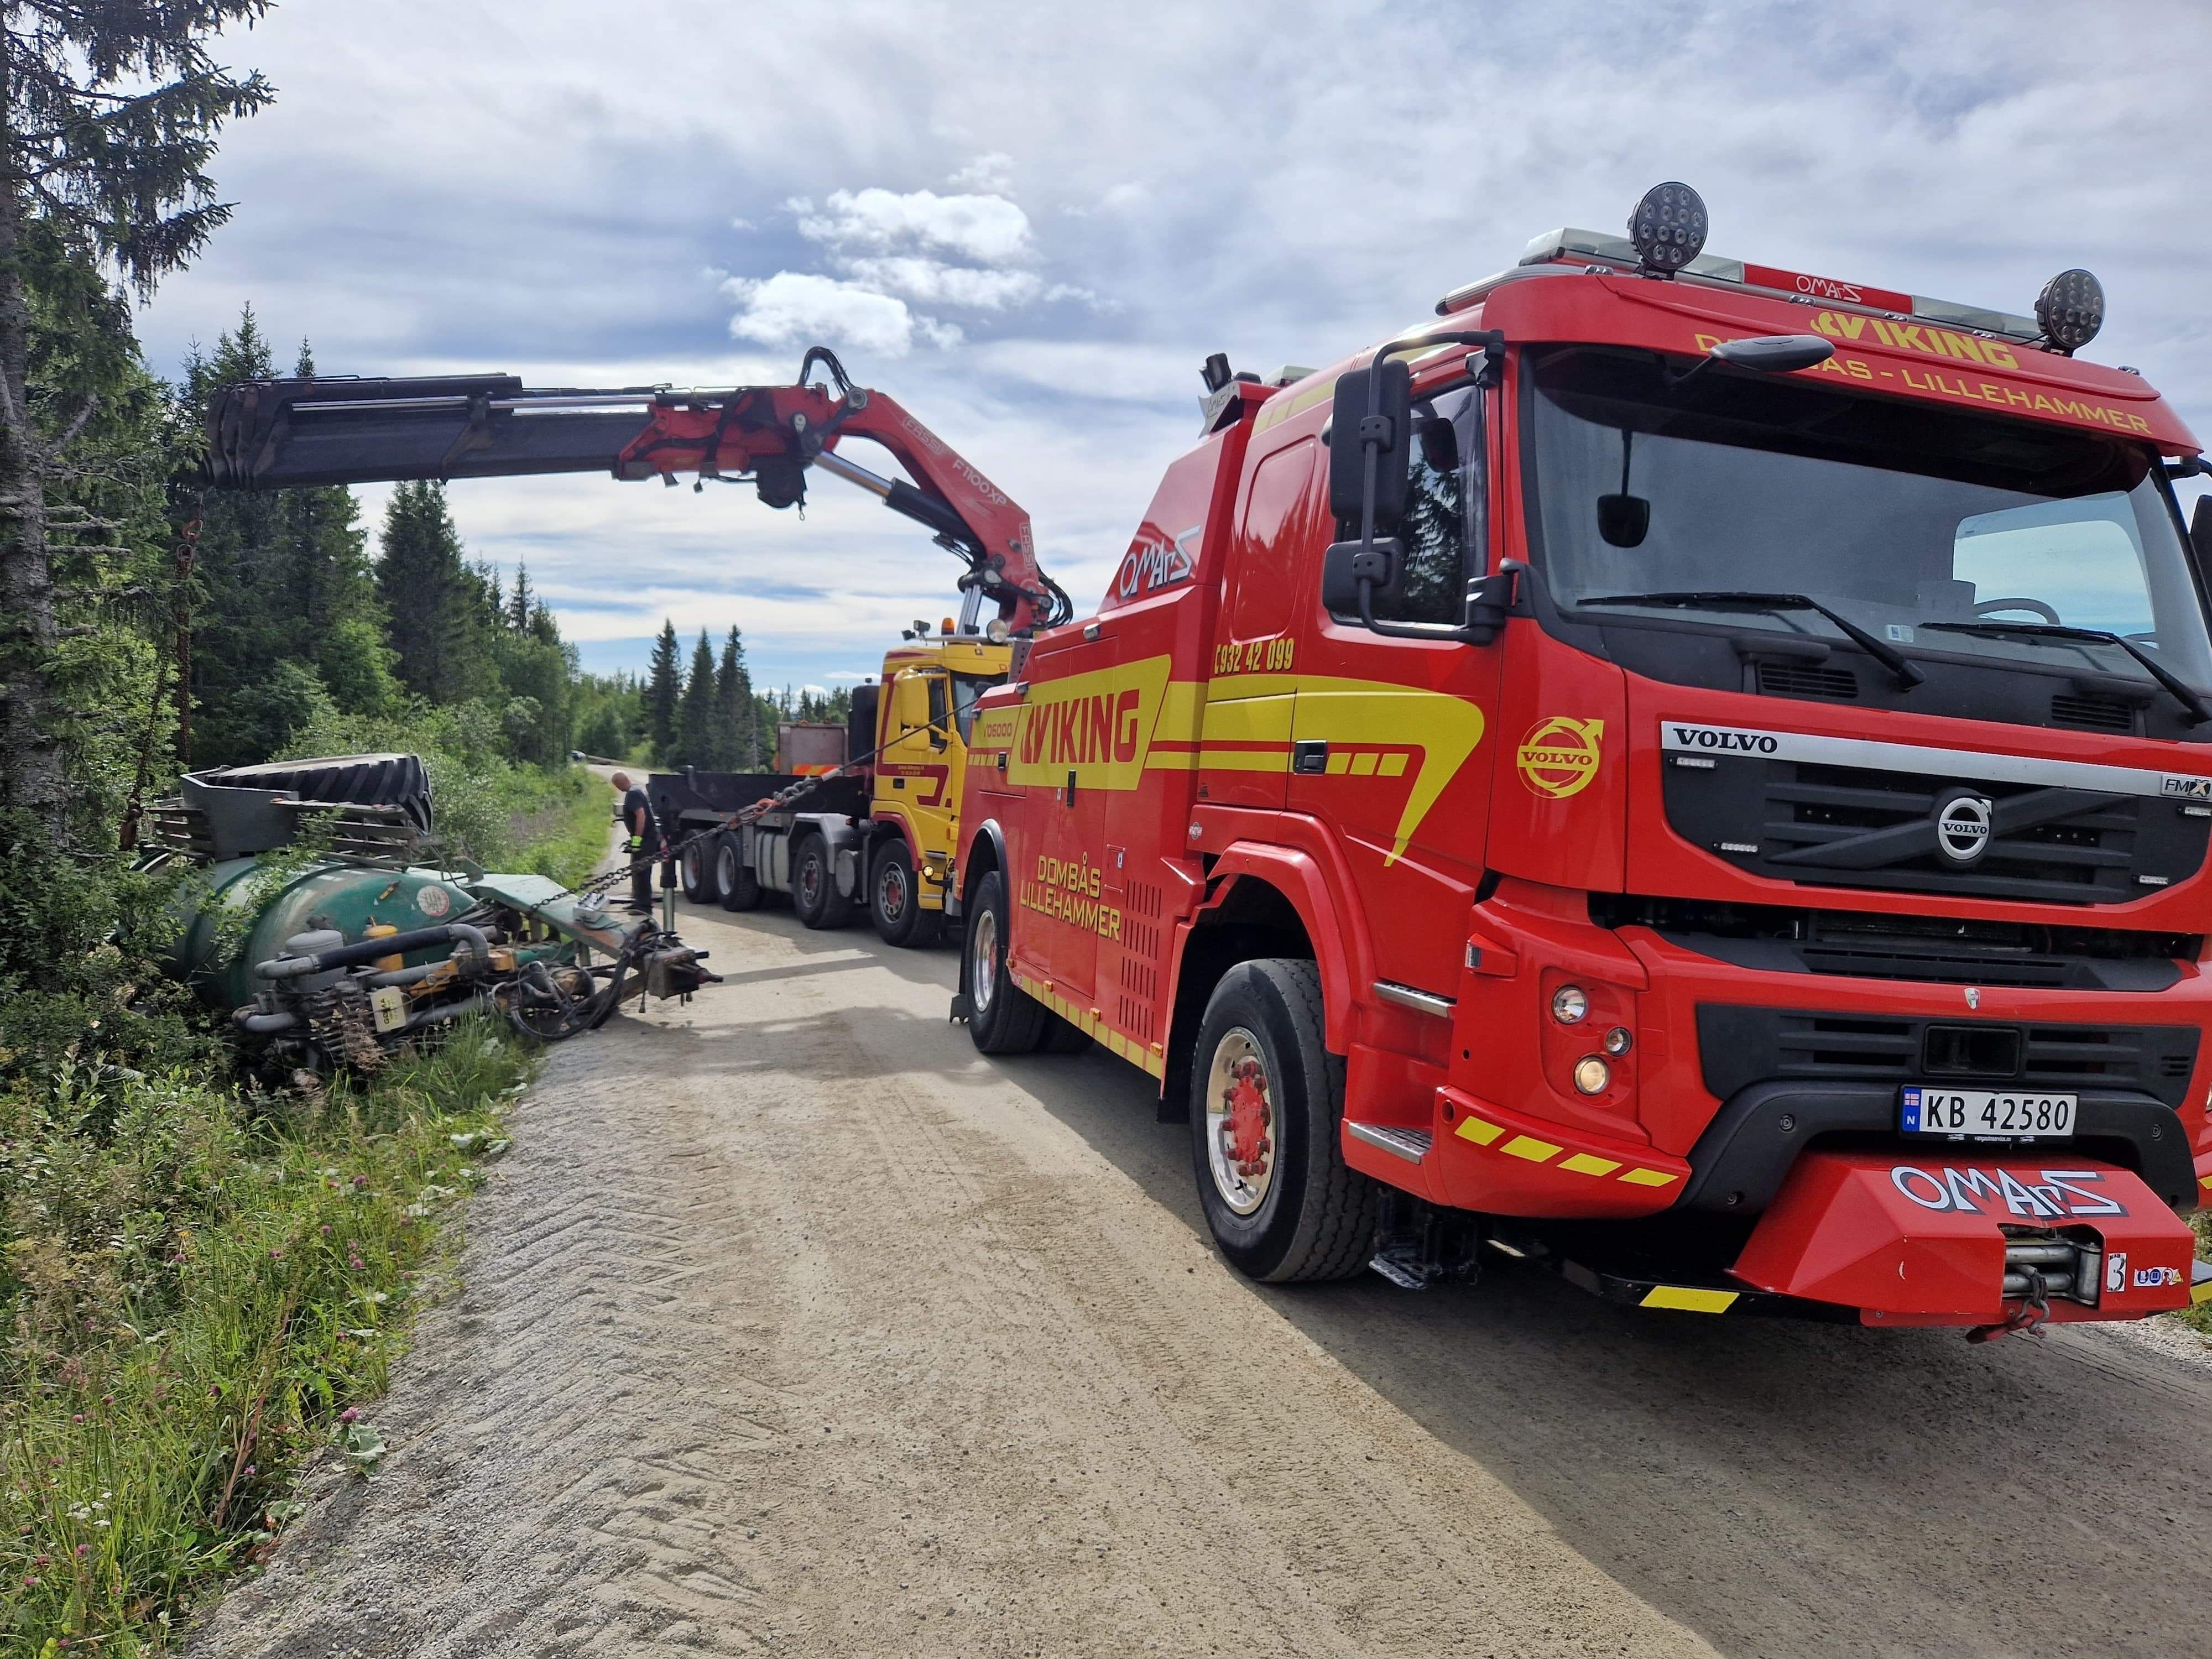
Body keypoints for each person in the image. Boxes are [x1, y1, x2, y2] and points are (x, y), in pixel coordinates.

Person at [609, 771, 659, 915]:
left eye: (616, 785)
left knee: (643, 873)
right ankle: (638, 902)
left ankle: (645, 907)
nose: (617, 788)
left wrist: (637, 840)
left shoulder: (633, 794)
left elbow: (641, 816)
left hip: (646, 840)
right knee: (637, 871)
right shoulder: (637, 789)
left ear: (620, 782)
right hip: (645, 839)